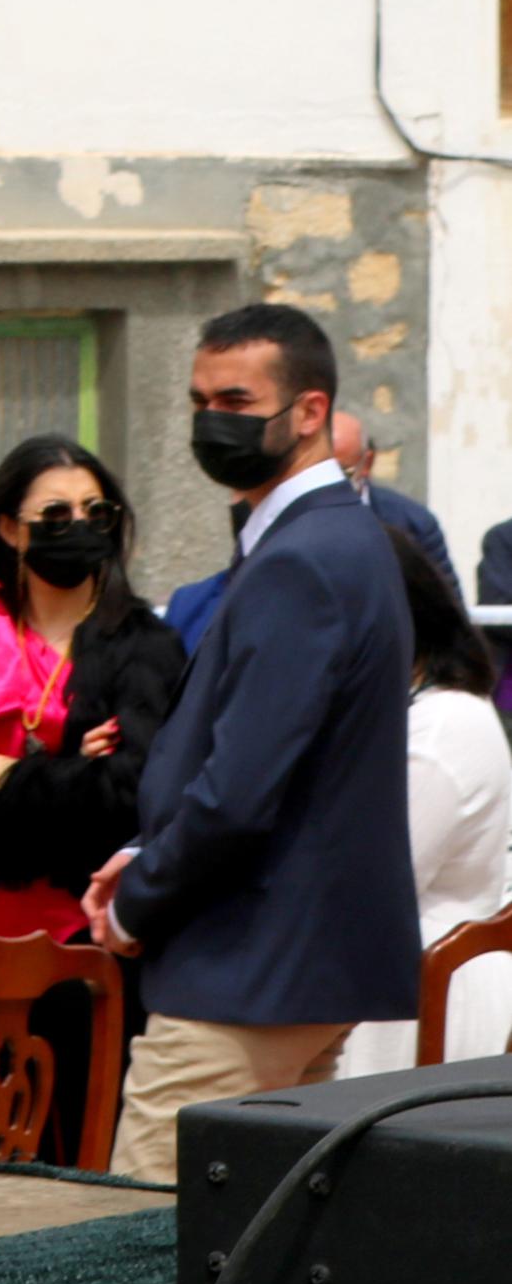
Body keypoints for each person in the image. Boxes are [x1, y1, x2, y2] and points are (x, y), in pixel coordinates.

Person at [89, 305, 420, 1184]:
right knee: (252, 1253)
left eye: (236, 397)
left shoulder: (303, 556)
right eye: (199, 399)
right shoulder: (333, 539)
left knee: (137, 1244)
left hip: (243, 970)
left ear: (309, 410)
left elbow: (240, 791)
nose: (212, 420)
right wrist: (142, 849)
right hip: (294, 964)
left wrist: (137, 903)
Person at [0, 436, 181, 1162]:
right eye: (55, 510)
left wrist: (3, 775)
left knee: (83, 1146)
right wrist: (63, 778)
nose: (78, 522)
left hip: (96, 941)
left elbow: (128, 801)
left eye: (94, 508)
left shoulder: (146, 646)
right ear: (9, 528)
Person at [337, 535, 512, 1076]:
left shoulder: (442, 726)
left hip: (422, 1014)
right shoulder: (405, 712)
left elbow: (371, 886)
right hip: (389, 996)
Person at [163, 410, 454, 653]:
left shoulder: (411, 522)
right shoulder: (283, 513)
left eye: (340, 472)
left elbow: (445, 611)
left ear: (367, 464)